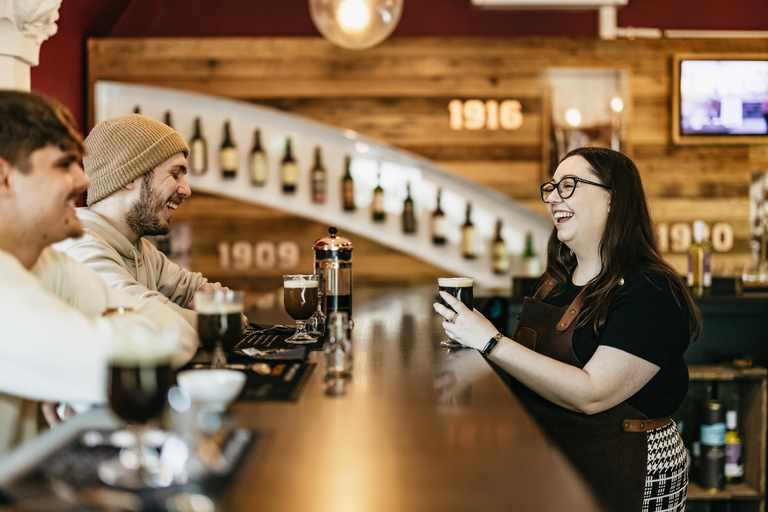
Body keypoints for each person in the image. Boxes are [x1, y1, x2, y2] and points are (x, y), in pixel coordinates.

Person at [434, 147, 700, 512]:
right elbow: (529, 370)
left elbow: (593, 393)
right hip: (560, 460)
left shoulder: (650, 288)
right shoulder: (555, 281)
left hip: (632, 466)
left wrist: (489, 340)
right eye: (552, 188)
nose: (554, 198)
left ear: (613, 199)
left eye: (569, 185)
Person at [0, 91, 199, 452]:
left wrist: (79, 363)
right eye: (64, 165)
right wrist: (123, 326)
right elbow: (133, 374)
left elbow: (178, 336)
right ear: (4, 178)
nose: (83, 180)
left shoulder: (47, 261)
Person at [55, 114, 232, 327]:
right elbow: (149, 320)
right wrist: (218, 323)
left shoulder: (140, 250)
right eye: (175, 174)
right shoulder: (81, 249)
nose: (187, 190)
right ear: (129, 177)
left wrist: (214, 301)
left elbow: (199, 290)